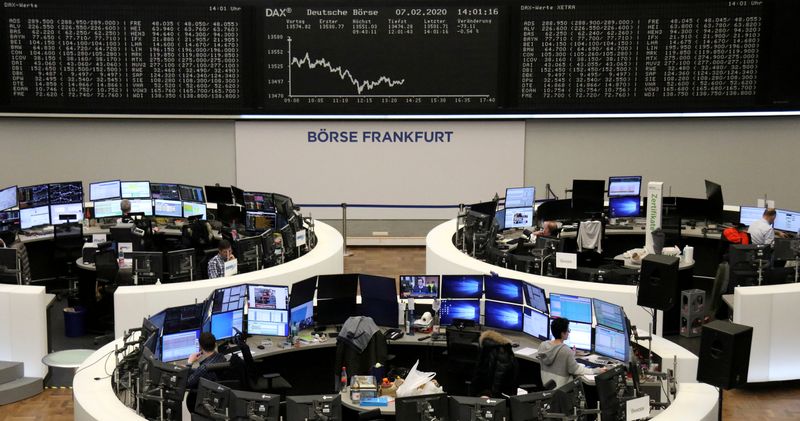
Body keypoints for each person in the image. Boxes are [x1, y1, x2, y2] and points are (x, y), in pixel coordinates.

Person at [537, 317, 605, 388]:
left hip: (547, 386)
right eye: (568, 330)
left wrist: (571, 354)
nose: (568, 332)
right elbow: (576, 370)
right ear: (563, 333)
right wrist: (596, 370)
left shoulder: (543, 345)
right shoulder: (565, 350)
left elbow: (555, 355)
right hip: (561, 390)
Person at [186, 332, 226, 412]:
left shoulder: (204, 368)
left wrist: (189, 363)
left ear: (200, 347)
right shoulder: (222, 358)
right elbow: (198, 372)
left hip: (201, 401)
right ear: (215, 344)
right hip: (218, 399)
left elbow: (188, 383)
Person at [472, 330, 518, 398]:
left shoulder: (499, 352)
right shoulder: (502, 348)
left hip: (499, 394)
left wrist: (491, 395)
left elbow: (498, 377)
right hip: (499, 391)